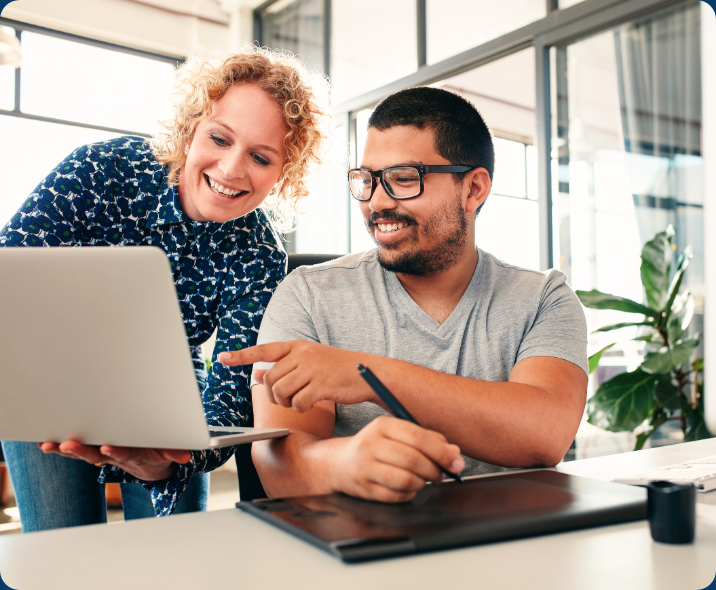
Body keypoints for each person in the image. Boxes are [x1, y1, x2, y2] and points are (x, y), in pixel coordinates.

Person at [0, 47, 328, 530]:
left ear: (284, 173)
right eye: (219, 138)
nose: (233, 169)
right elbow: (13, 276)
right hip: (55, 372)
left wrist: (173, 458)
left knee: (170, 548)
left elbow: (232, 398)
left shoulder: (260, 256)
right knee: (61, 546)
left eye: (260, 157)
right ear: (191, 127)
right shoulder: (98, 170)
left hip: (168, 384)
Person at [218, 86, 588, 503]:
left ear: (474, 190)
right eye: (367, 180)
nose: (376, 202)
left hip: (512, 547)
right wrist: (343, 464)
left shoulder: (544, 298)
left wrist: (368, 376)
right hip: (357, 551)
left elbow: (544, 433)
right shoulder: (306, 294)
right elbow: (277, 466)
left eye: (403, 179)